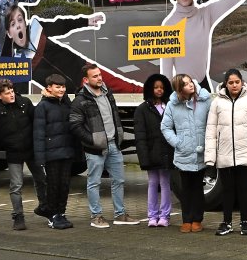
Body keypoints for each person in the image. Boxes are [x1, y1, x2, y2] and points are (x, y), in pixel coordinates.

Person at [1, 5, 141, 93]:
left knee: (127, 88)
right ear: (8, 33)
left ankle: (158, 100)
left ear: (25, 22)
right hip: (71, 96)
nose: (18, 25)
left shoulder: (37, 29)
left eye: (20, 20)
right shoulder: (19, 61)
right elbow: (21, 94)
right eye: (13, 24)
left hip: (84, 71)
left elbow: (62, 25)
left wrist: (86, 21)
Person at [69, 63, 139, 228]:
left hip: (113, 145)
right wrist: (92, 141)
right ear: (86, 80)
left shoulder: (108, 94)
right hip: (95, 149)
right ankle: (96, 217)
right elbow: (74, 125)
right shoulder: (80, 100)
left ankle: (120, 215)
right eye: (95, 76)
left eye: (100, 75)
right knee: (94, 182)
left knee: (119, 180)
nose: (99, 78)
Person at [206, 68, 247, 236]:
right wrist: (210, 157)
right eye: (230, 82)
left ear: (242, 82)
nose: (234, 85)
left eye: (237, 82)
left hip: (245, 154)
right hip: (223, 154)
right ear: (225, 84)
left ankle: (245, 222)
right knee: (227, 190)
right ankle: (227, 222)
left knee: (243, 190)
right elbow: (211, 131)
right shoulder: (217, 103)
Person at [0, 79, 47, 230]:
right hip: (13, 153)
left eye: (12, 91)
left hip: (31, 150)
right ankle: (18, 217)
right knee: (16, 185)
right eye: (7, 93)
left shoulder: (25, 103)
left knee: (42, 179)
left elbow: (37, 123)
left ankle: (45, 207)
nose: (11, 95)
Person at [160, 74, 212, 233]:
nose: (191, 85)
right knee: (185, 189)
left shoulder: (205, 100)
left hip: (200, 152)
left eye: (191, 82)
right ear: (179, 89)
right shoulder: (172, 105)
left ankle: (197, 219)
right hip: (183, 154)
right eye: (186, 84)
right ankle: (186, 219)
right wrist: (178, 143)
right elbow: (165, 127)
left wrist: (208, 143)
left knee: (198, 188)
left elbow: (213, 122)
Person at [32, 74, 77, 229]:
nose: (61, 89)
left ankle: (61, 213)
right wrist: (40, 159)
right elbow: (38, 135)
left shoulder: (66, 103)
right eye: (58, 87)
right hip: (51, 154)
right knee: (53, 186)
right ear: (49, 88)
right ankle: (52, 215)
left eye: (63, 86)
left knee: (64, 185)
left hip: (66, 152)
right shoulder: (42, 107)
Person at [133, 73, 173, 227]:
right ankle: (152, 216)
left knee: (165, 183)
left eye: (162, 87)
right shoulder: (142, 110)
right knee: (152, 182)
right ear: (150, 89)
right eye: (156, 87)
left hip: (166, 152)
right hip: (151, 152)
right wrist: (144, 157)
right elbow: (140, 136)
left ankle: (164, 216)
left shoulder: (169, 107)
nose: (159, 90)